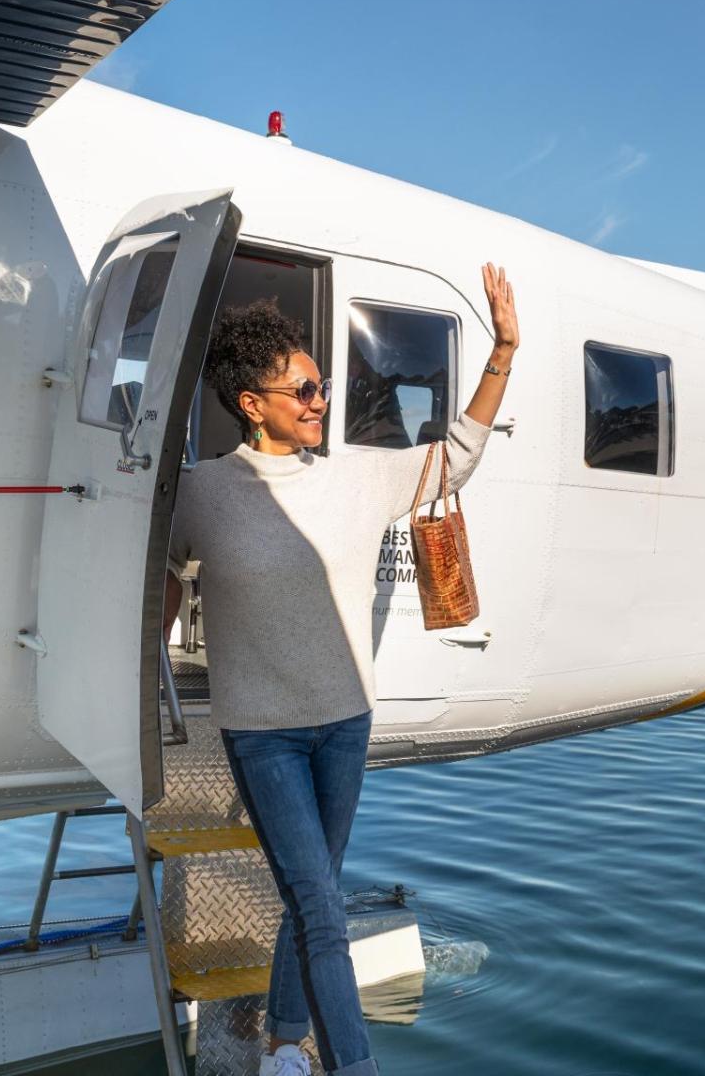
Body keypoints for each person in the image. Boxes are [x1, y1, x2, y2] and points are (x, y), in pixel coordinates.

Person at [164, 263, 519, 1076]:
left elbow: (457, 457)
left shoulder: (357, 478)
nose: (321, 400)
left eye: (321, 385)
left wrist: (503, 351)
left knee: (313, 892)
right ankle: (353, 1065)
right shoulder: (201, 493)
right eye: (303, 390)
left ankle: (283, 1043)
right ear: (251, 404)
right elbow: (164, 571)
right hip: (263, 733)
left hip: (346, 723)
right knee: (321, 907)